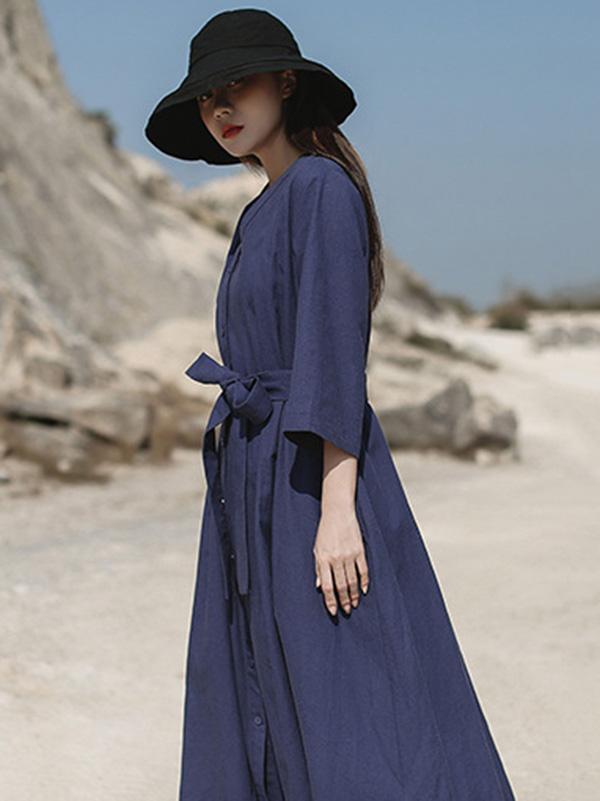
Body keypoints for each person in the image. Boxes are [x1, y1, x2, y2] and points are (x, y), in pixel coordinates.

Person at [145, 9, 517, 801]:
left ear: (286, 83)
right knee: (266, 685)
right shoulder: (261, 208)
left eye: (236, 83)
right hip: (255, 473)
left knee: (346, 697)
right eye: (206, 95)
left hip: (312, 475)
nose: (220, 107)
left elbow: (332, 357)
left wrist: (338, 511)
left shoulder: (320, 189)